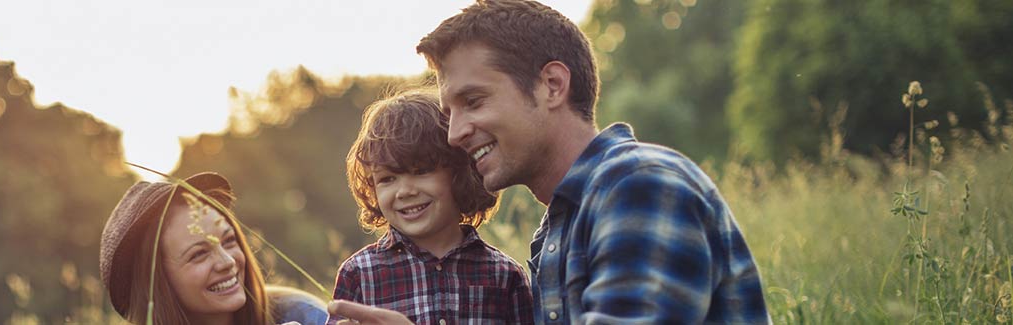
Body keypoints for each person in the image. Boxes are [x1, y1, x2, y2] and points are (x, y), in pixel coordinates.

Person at [329, 1, 770, 324]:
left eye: (474, 101)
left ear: (552, 85)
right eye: (451, 111)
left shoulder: (639, 186)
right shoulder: (555, 232)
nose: (454, 133)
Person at [331, 90, 533, 324]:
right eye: (387, 178)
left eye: (421, 171)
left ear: (460, 173)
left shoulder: (504, 275)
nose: (405, 191)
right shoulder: (359, 274)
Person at [100, 172, 328, 324]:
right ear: (156, 283)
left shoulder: (301, 315)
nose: (228, 261)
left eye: (229, 241)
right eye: (199, 254)